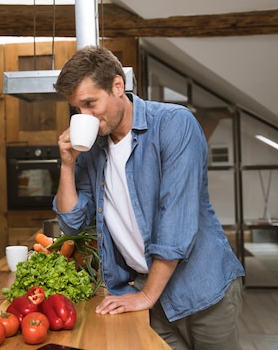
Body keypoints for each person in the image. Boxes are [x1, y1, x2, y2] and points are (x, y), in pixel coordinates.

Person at [53, 46, 245, 350]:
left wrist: (145, 296)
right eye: (77, 109)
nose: (84, 116)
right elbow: (73, 225)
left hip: (202, 289)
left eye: (90, 103)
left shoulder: (173, 124)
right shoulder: (92, 150)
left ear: (118, 86)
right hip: (148, 294)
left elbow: (176, 223)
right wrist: (67, 163)